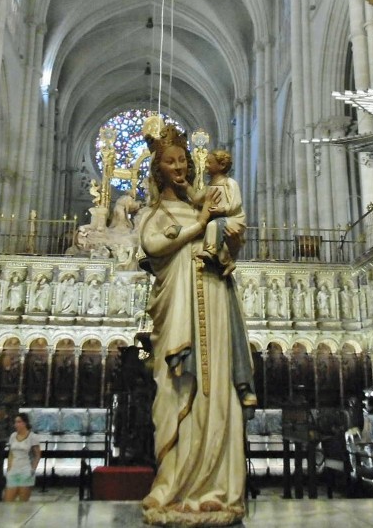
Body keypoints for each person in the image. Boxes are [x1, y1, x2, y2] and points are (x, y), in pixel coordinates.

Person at [137, 123, 255, 526]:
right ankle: (174, 486)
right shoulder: (153, 213)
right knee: (175, 390)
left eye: (183, 160)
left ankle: (217, 489)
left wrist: (221, 234)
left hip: (215, 301)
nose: (179, 167)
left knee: (216, 386)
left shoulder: (206, 204)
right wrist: (199, 222)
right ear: (158, 169)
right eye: (170, 162)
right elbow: (153, 246)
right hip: (177, 313)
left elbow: (231, 235)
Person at [189, 149, 245, 277]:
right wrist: (186, 186)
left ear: (222, 165)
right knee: (212, 228)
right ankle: (225, 261)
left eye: (209, 162)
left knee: (213, 226)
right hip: (218, 219)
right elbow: (197, 198)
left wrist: (223, 209)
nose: (206, 165)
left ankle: (211, 252)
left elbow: (236, 203)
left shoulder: (230, 183)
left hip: (233, 219)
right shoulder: (210, 185)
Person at [3, 412, 42, 502]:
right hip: (13, 469)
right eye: (15, 422)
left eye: (19, 422)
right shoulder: (13, 436)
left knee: (23, 501)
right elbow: (11, 453)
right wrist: (9, 467)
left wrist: (33, 469)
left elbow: (37, 455)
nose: (16, 424)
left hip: (25, 470)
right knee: (8, 499)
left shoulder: (33, 437)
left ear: (25, 423)